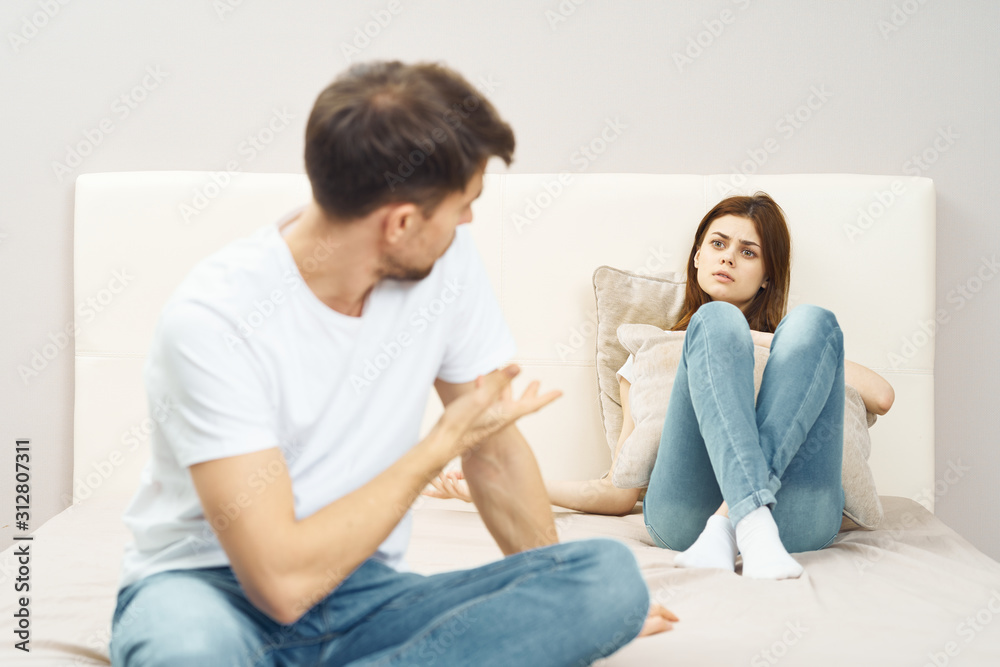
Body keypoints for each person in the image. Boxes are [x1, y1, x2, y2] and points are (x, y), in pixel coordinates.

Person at [109, 60, 677, 667]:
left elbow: (491, 447)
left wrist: (554, 591)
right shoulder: (216, 318)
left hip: (366, 600)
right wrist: (433, 450)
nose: (468, 222)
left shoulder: (445, 267)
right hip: (205, 594)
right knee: (189, 655)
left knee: (608, 578)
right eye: (463, 205)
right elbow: (280, 583)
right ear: (402, 223)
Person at [426, 192, 896, 580]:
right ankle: (745, 521)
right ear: (697, 256)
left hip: (795, 518)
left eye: (748, 252)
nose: (728, 257)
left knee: (815, 321)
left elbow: (881, 395)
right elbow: (616, 490)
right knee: (715, 321)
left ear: (766, 277)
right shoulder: (651, 354)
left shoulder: (795, 349)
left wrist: (767, 348)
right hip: (684, 514)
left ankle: (734, 521)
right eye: (718, 243)